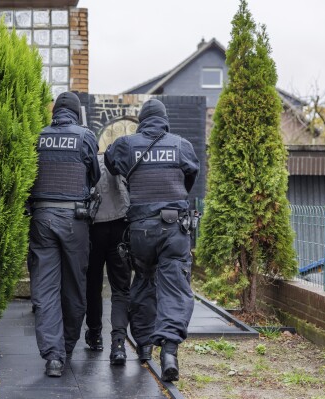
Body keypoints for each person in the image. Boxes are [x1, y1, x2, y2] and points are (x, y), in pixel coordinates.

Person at [104, 98, 199, 382]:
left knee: (144, 281)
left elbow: (110, 162)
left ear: (142, 119)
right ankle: (169, 351)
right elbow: (190, 177)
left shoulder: (126, 144)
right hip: (174, 227)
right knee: (174, 287)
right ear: (165, 119)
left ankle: (144, 343)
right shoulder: (181, 145)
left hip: (140, 230)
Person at [28, 91, 100, 378]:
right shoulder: (85, 137)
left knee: (44, 289)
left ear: (55, 111)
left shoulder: (39, 137)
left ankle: (53, 356)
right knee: (74, 286)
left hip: (42, 219)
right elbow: (94, 175)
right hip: (75, 220)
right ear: (77, 112)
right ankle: (66, 347)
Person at [84, 153, 132, 365]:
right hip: (120, 227)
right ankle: (119, 344)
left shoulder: (90, 161)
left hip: (94, 228)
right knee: (121, 289)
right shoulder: (120, 162)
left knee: (93, 285)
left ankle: (95, 336)